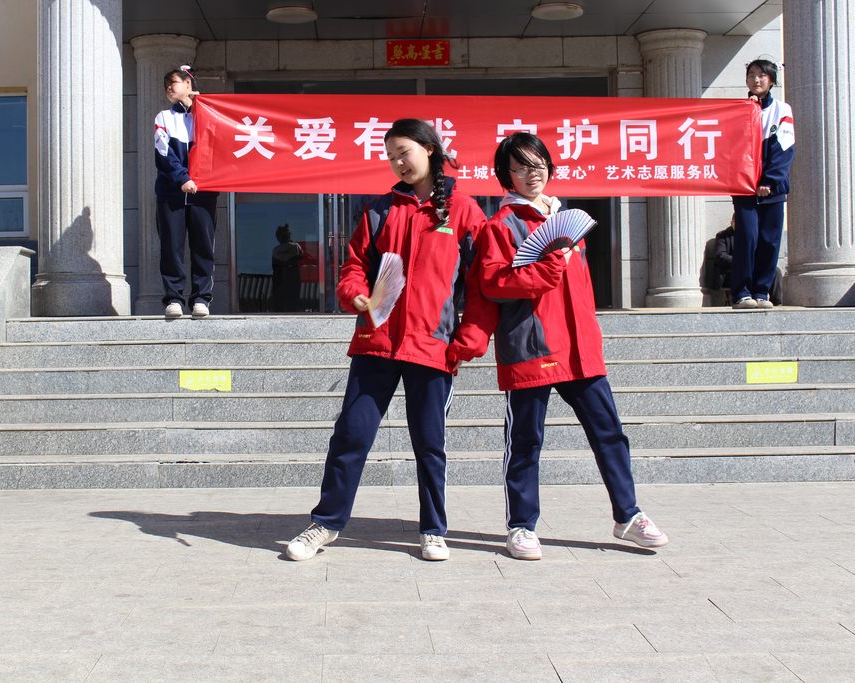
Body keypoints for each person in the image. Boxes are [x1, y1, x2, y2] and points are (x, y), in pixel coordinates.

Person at [285, 118, 494, 562]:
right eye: (391, 156)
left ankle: (433, 529)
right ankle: (325, 523)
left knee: (430, 443)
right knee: (351, 434)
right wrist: (353, 293)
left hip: (432, 346)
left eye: (405, 152)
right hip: (376, 341)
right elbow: (354, 266)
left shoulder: (464, 211)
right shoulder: (379, 210)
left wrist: (470, 338)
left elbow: (481, 286)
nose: (399, 163)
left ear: (430, 150)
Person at [476, 132, 668, 561]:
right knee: (525, 441)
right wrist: (543, 271)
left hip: (581, 349)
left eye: (539, 163)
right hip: (531, 347)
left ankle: (628, 515)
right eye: (521, 166)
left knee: (609, 433)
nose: (533, 173)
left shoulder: (569, 223)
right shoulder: (500, 227)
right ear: (506, 174)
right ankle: (521, 525)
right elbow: (493, 283)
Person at [154, 65, 218, 319]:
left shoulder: (209, 115)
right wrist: (182, 178)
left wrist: (201, 107)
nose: (169, 88)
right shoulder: (163, 117)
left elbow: (220, 146)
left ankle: (201, 298)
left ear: (188, 84)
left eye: (173, 82)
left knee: (203, 246)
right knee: (172, 247)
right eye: (166, 85)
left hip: (204, 193)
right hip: (171, 194)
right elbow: (163, 154)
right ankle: (174, 299)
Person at [730, 58, 794, 310]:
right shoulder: (738, 109)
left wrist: (770, 180)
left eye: (761, 75)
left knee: (769, 240)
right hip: (744, 188)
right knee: (747, 238)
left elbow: (783, 149)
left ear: (771, 80)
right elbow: (732, 149)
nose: (756, 80)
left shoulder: (781, 109)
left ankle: (762, 291)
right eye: (751, 75)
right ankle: (742, 293)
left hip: (772, 190)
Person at [714, 214, 782, 306]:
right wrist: (741, 261)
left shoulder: (752, 234)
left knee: (776, 271)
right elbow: (720, 256)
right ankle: (743, 296)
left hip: (752, 269)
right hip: (732, 271)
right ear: (732, 222)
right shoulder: (722, 236)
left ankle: (777, 303)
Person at [271, 223, 303, 311]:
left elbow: (275, 265)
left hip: (281, 280)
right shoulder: (296, 247)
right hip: (291, 279)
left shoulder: (276, 250)